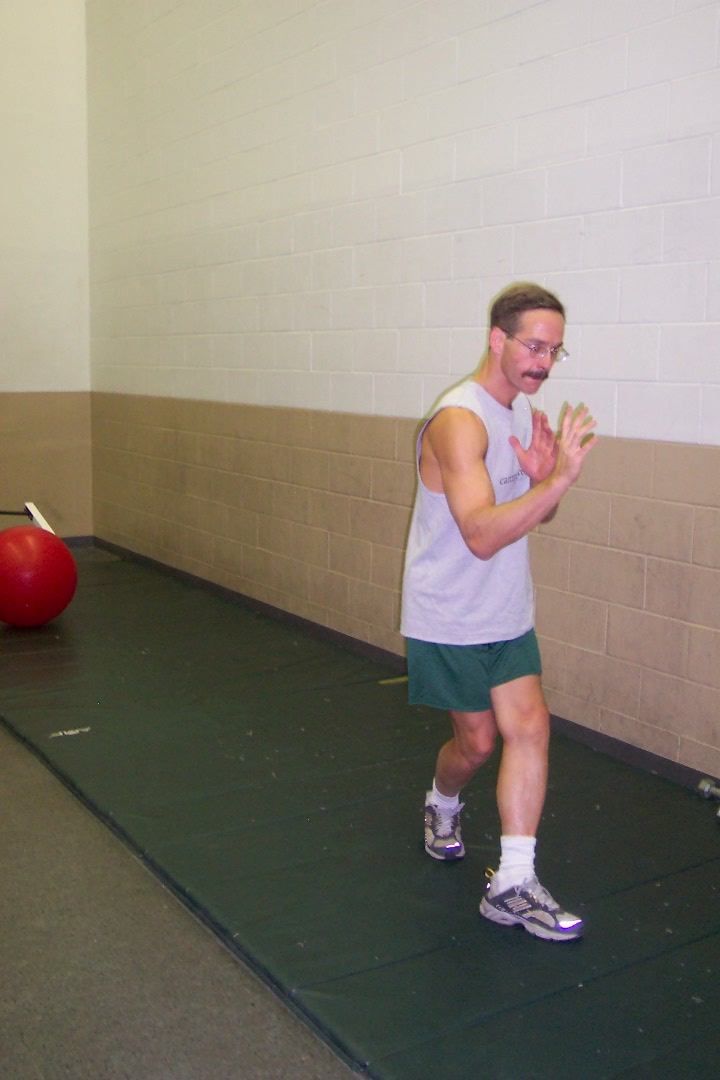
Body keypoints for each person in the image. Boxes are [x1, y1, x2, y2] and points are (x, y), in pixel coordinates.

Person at [401, 282, 597, 943]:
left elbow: (531, 517)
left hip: (507, 608)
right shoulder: (460, 420)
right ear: (497, 338)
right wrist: (558, 480)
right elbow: (482, 535)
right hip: (451, 613)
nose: (544, 363)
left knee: (531, 727)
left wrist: (543, 483)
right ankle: (442, 801)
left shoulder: (519, 411)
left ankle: (513, 882)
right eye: (534, 347)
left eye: (554, 351)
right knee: (476, 744)